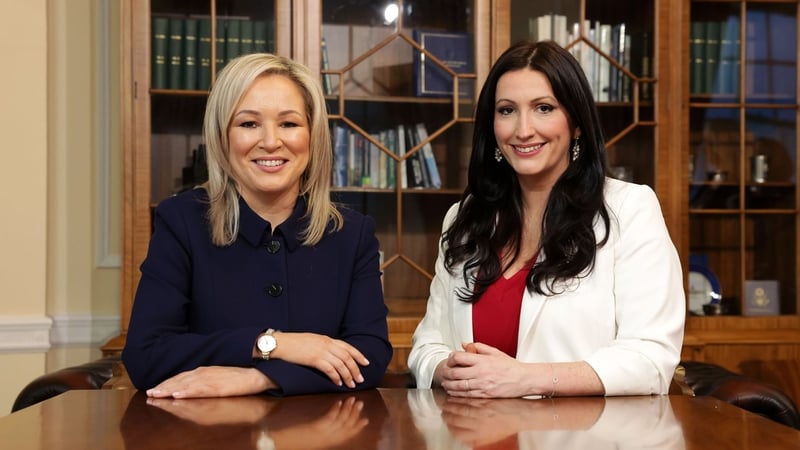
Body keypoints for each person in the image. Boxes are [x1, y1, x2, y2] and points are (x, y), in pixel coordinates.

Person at [408, 40, 685, 398]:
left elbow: (651, 358)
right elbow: (426, 346)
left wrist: (526, 378)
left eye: (543, 108)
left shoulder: (630, 209)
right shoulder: (464, 219)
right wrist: (445, 369)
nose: (523, 130)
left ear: (577, 123)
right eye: (506, 110)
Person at [122, 53, 392, 398]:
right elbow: (147, 357)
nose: (270, 141)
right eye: (249, 124)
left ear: (313, 136)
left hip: (318, 434)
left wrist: (261, 378)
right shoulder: (181, 221)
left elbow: (368, 359)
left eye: (289, 124)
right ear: (223, 137)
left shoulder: (352, 233)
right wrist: (274, 345)